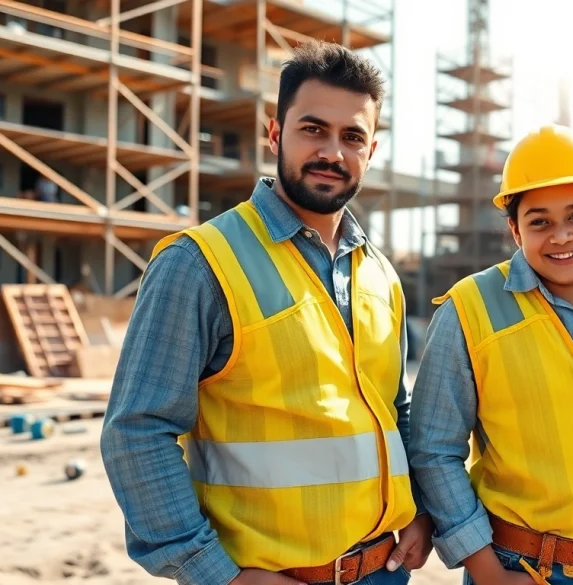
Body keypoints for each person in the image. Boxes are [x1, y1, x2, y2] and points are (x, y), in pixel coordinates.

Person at [101, 41, 433, 585]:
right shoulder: (200, 262)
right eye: (312, 129)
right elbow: (136, 432)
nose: (332, 151)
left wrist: (421, 506)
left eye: (352, 137)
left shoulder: (380, 275)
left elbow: (393, 408)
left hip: (384, 571)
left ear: (372, 149)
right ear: (275, 133)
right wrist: (217, 576)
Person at [409, 124, 573, 585]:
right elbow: (434, 450)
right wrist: (487, 573)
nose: (561, 236)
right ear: (514, 229)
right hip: (520, 569)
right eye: (539, 222)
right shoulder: (470, 309)